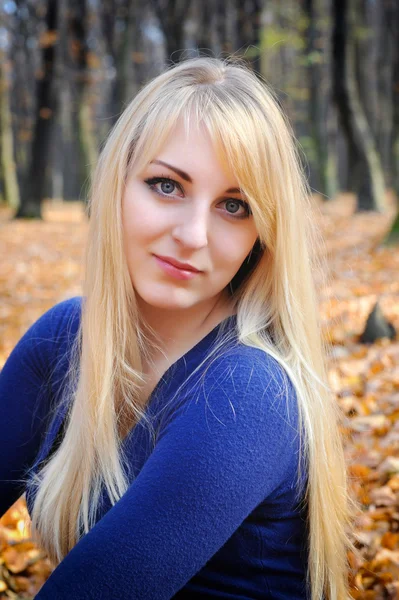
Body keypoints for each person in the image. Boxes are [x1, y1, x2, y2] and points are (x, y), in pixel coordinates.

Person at [0, 57, 356, 599]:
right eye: (167, 185)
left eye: (234, 206)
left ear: (263, 235)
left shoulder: (247, 395)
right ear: (117, 184)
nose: (193, 235)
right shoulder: (65, 339)